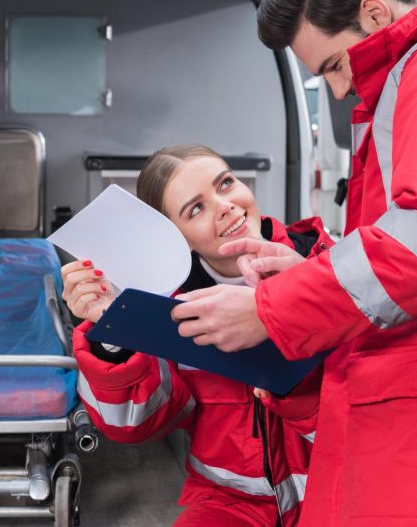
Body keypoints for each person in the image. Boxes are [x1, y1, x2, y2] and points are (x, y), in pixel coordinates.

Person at [171, 0, 417, 526]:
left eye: (332, 64)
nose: (341, 88)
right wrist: (308, 274)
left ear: (375, 12)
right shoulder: (407, 84)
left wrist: (273, 308)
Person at [62, 144, 332, 527]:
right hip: (232, 504)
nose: (224, 205)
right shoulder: (171, 310)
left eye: (225, 183)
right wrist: (113, 329)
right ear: (176, 239)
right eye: (196, 209)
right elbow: (134, 424)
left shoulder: (330, 265)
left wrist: (299, 308)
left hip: (339, 490)